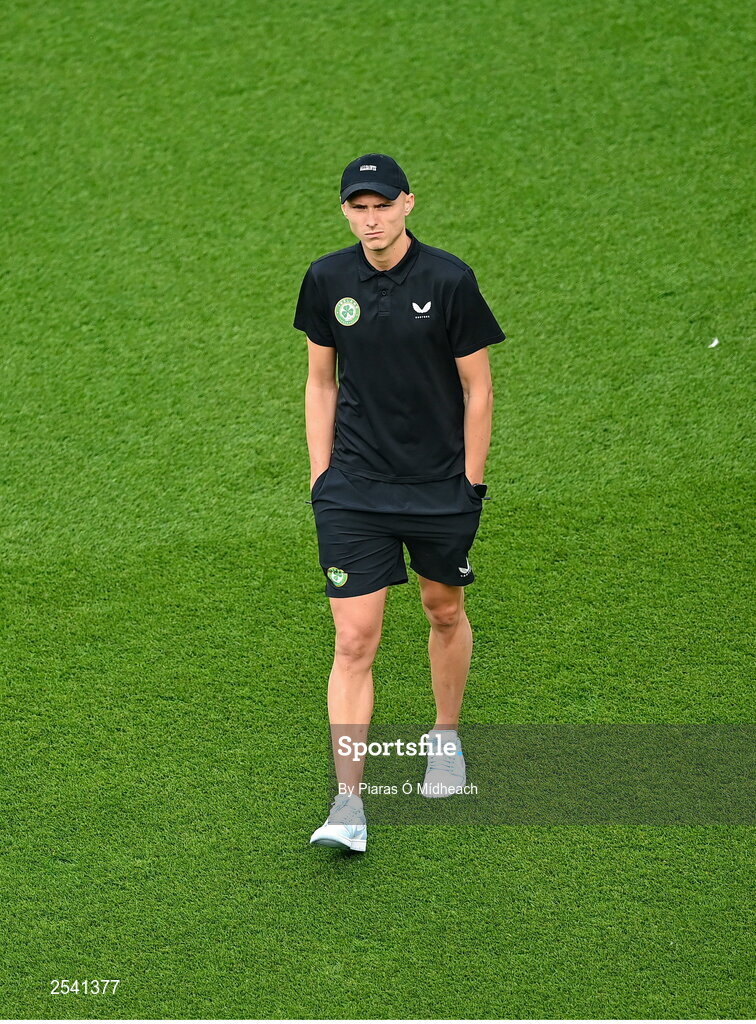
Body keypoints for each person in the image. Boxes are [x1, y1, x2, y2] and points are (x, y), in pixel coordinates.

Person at [293, 153, 505, 852]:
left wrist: (470, 481)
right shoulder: (327, 279)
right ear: (347, 212)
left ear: (408, 204)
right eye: (358, 206)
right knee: (353, 639)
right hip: (354, 490)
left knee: (443, 608)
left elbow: (478, 387)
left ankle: (444, 736)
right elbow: (320, 381)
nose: (371, 217)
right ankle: (348, 803)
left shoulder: (448, 281)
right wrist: (323, 476)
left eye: (382, 204)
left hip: (438, 487)